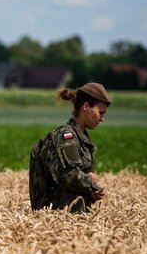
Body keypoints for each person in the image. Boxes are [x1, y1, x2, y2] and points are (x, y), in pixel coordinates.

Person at [29, 82, 112, 213]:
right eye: (100, 113)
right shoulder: (66, 136)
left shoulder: (82, 138)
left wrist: (91, 192)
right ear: (85, 106)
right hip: (55, 217)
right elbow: (70, 176)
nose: (102, 119)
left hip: (72, 216)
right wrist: (91, 183)